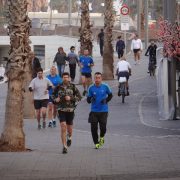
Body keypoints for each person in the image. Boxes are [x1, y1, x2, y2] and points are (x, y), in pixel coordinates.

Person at [52, 72, 82, 154]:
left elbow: (79, 97)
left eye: (67, 77)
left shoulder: (73, 86)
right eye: (64, 77)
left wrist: (71, 98)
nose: (65, 79)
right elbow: (53, 96)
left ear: (69, 78)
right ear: (62, 78)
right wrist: (55, 100)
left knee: (69, 129)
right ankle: (64, 147)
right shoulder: (58, 87)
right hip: (61, 109)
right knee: (63, 126)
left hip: (70, 110)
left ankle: (70, 137)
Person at [87, 72, 113, 149]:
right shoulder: (91, 88)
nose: (97, 79)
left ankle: (101, 137)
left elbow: (110, 95)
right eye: (96, 78)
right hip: (94, 111)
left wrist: (106, 100)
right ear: (94, 79)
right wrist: (91, 98)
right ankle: (96, 143)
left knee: (103, 128)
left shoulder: (106, 86)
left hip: (104, 111)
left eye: (99, 78)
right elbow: (88, 100)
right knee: (94, 128)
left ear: (101, 78)